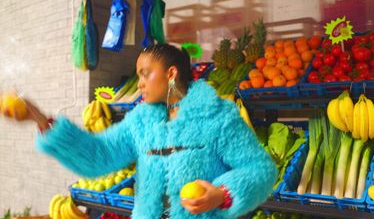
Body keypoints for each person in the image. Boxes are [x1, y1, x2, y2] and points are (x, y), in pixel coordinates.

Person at [1, 44, 277, 219]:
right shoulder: (141, 121)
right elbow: (99, 155)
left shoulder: (219, 117)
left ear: (170, 74)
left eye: (146, 73)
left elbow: (260, 169)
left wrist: (222, 193)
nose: (141, 83)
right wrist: (39, 119)